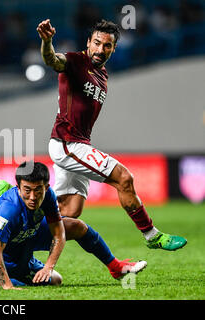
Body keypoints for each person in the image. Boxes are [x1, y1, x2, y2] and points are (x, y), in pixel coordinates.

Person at [36, 19, 187, 250]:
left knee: (69, 211)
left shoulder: (102, 75)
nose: (100, 49)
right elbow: (52, 60)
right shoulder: (76, 61)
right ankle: (151, 235)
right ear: (88, 42)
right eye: (96, 43)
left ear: (114, 48)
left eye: (107, 45)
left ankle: (16, 240)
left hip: (77, 143)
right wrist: (47, 42)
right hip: (68, 143)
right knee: (124, 178)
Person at [0, 162, 147, 289]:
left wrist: (48, 266)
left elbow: (59, 234)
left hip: (30, 234)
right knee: (50, 282)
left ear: (46, 187)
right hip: (10, 251)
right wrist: (8, 287)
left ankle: (116, 267)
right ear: (18, 187)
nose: (33, 197)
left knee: (76, 227)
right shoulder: (9, 209)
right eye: (27, 190)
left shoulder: (48, 196)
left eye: (38, 190)